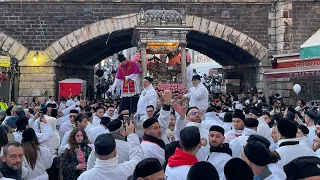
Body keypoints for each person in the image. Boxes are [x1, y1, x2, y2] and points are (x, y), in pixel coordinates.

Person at [77, 122, 144, 180]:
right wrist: (131, 134)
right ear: (115, 152)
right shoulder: (126, 170)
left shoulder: (85, 177)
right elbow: (138, 157)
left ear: (95, 153)